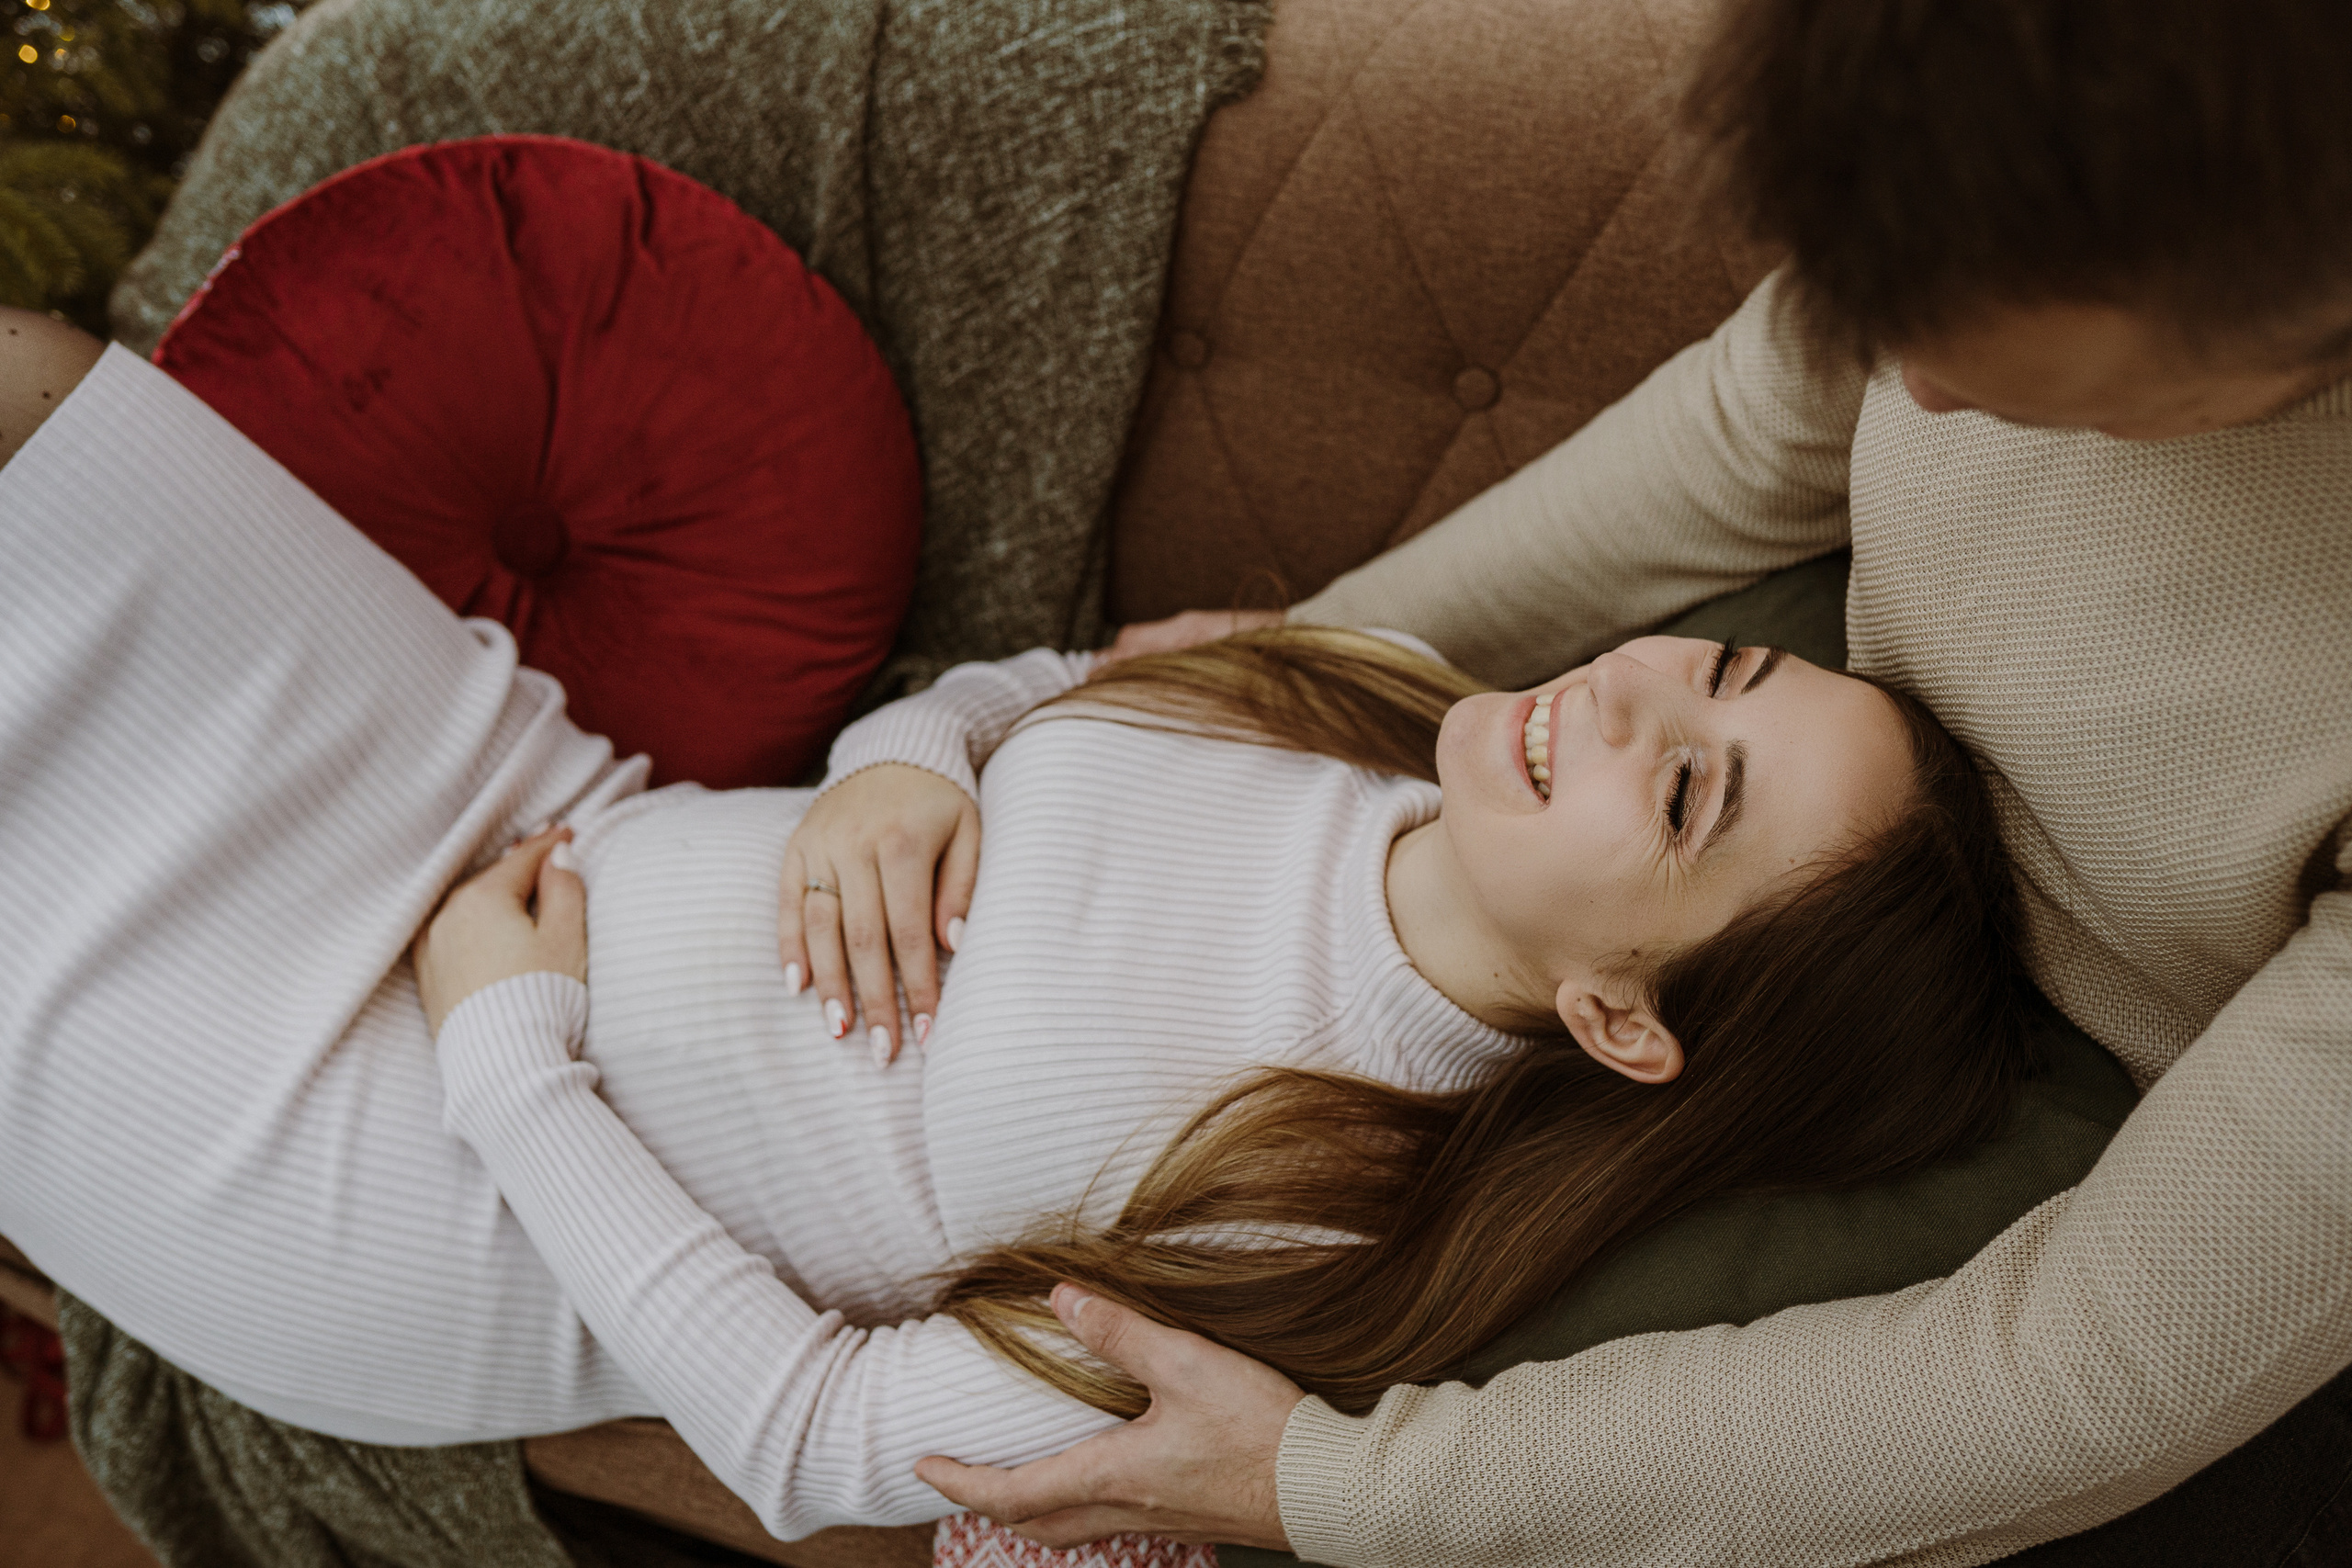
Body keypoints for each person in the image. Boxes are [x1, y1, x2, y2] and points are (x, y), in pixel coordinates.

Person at [0, 311, 2030, 1539]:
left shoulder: (1298, 1214)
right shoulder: (1389, 683)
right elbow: (1032, 693)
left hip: (422, 1170)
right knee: (47, 406)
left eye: (1681, 793)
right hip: (531, 809)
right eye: (1717, 679)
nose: (1635, 700)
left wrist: (508, 1052)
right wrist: (910, 760)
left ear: (1622, 1020)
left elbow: (811, 1438)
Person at [915, 1, 2352, 1563]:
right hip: (1808, 787)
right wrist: (1300, 670)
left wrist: (1344, 1487)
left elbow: (2086, 1370)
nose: (1911, 396)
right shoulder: (1980, 168)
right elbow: (1745, 439)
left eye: (2009, 380)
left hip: (2065, 1140)